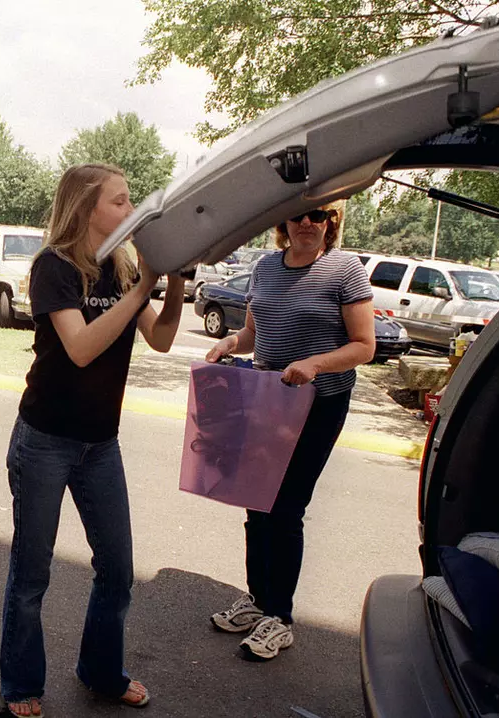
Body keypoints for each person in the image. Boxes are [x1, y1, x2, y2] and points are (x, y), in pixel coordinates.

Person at [0, 163, 186, 717]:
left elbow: (163, 339)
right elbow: (80, 348)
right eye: (120, 202)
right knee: (32, 573)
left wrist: (172, 280)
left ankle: (101, 670)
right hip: (45, 440)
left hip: (101, 443)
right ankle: (21, 683)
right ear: (86, 208)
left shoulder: (124, 271)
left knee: (118, 569)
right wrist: (143, 289)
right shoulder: (53, 269)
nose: (130, 212)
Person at [205, 202, 375, 661]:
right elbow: (253, 336)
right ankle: (258, 599)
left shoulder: (345, 270)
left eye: (318, 216)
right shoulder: (264, 268)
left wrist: (315, 364)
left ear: (330, 224)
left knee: (286, 507)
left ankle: (279, 617)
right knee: (256, 501)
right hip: (267, 400)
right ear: (283, 221)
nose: (307, 223)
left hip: (319, 405)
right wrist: (228, 343)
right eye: (299, 214)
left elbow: (365, 346)